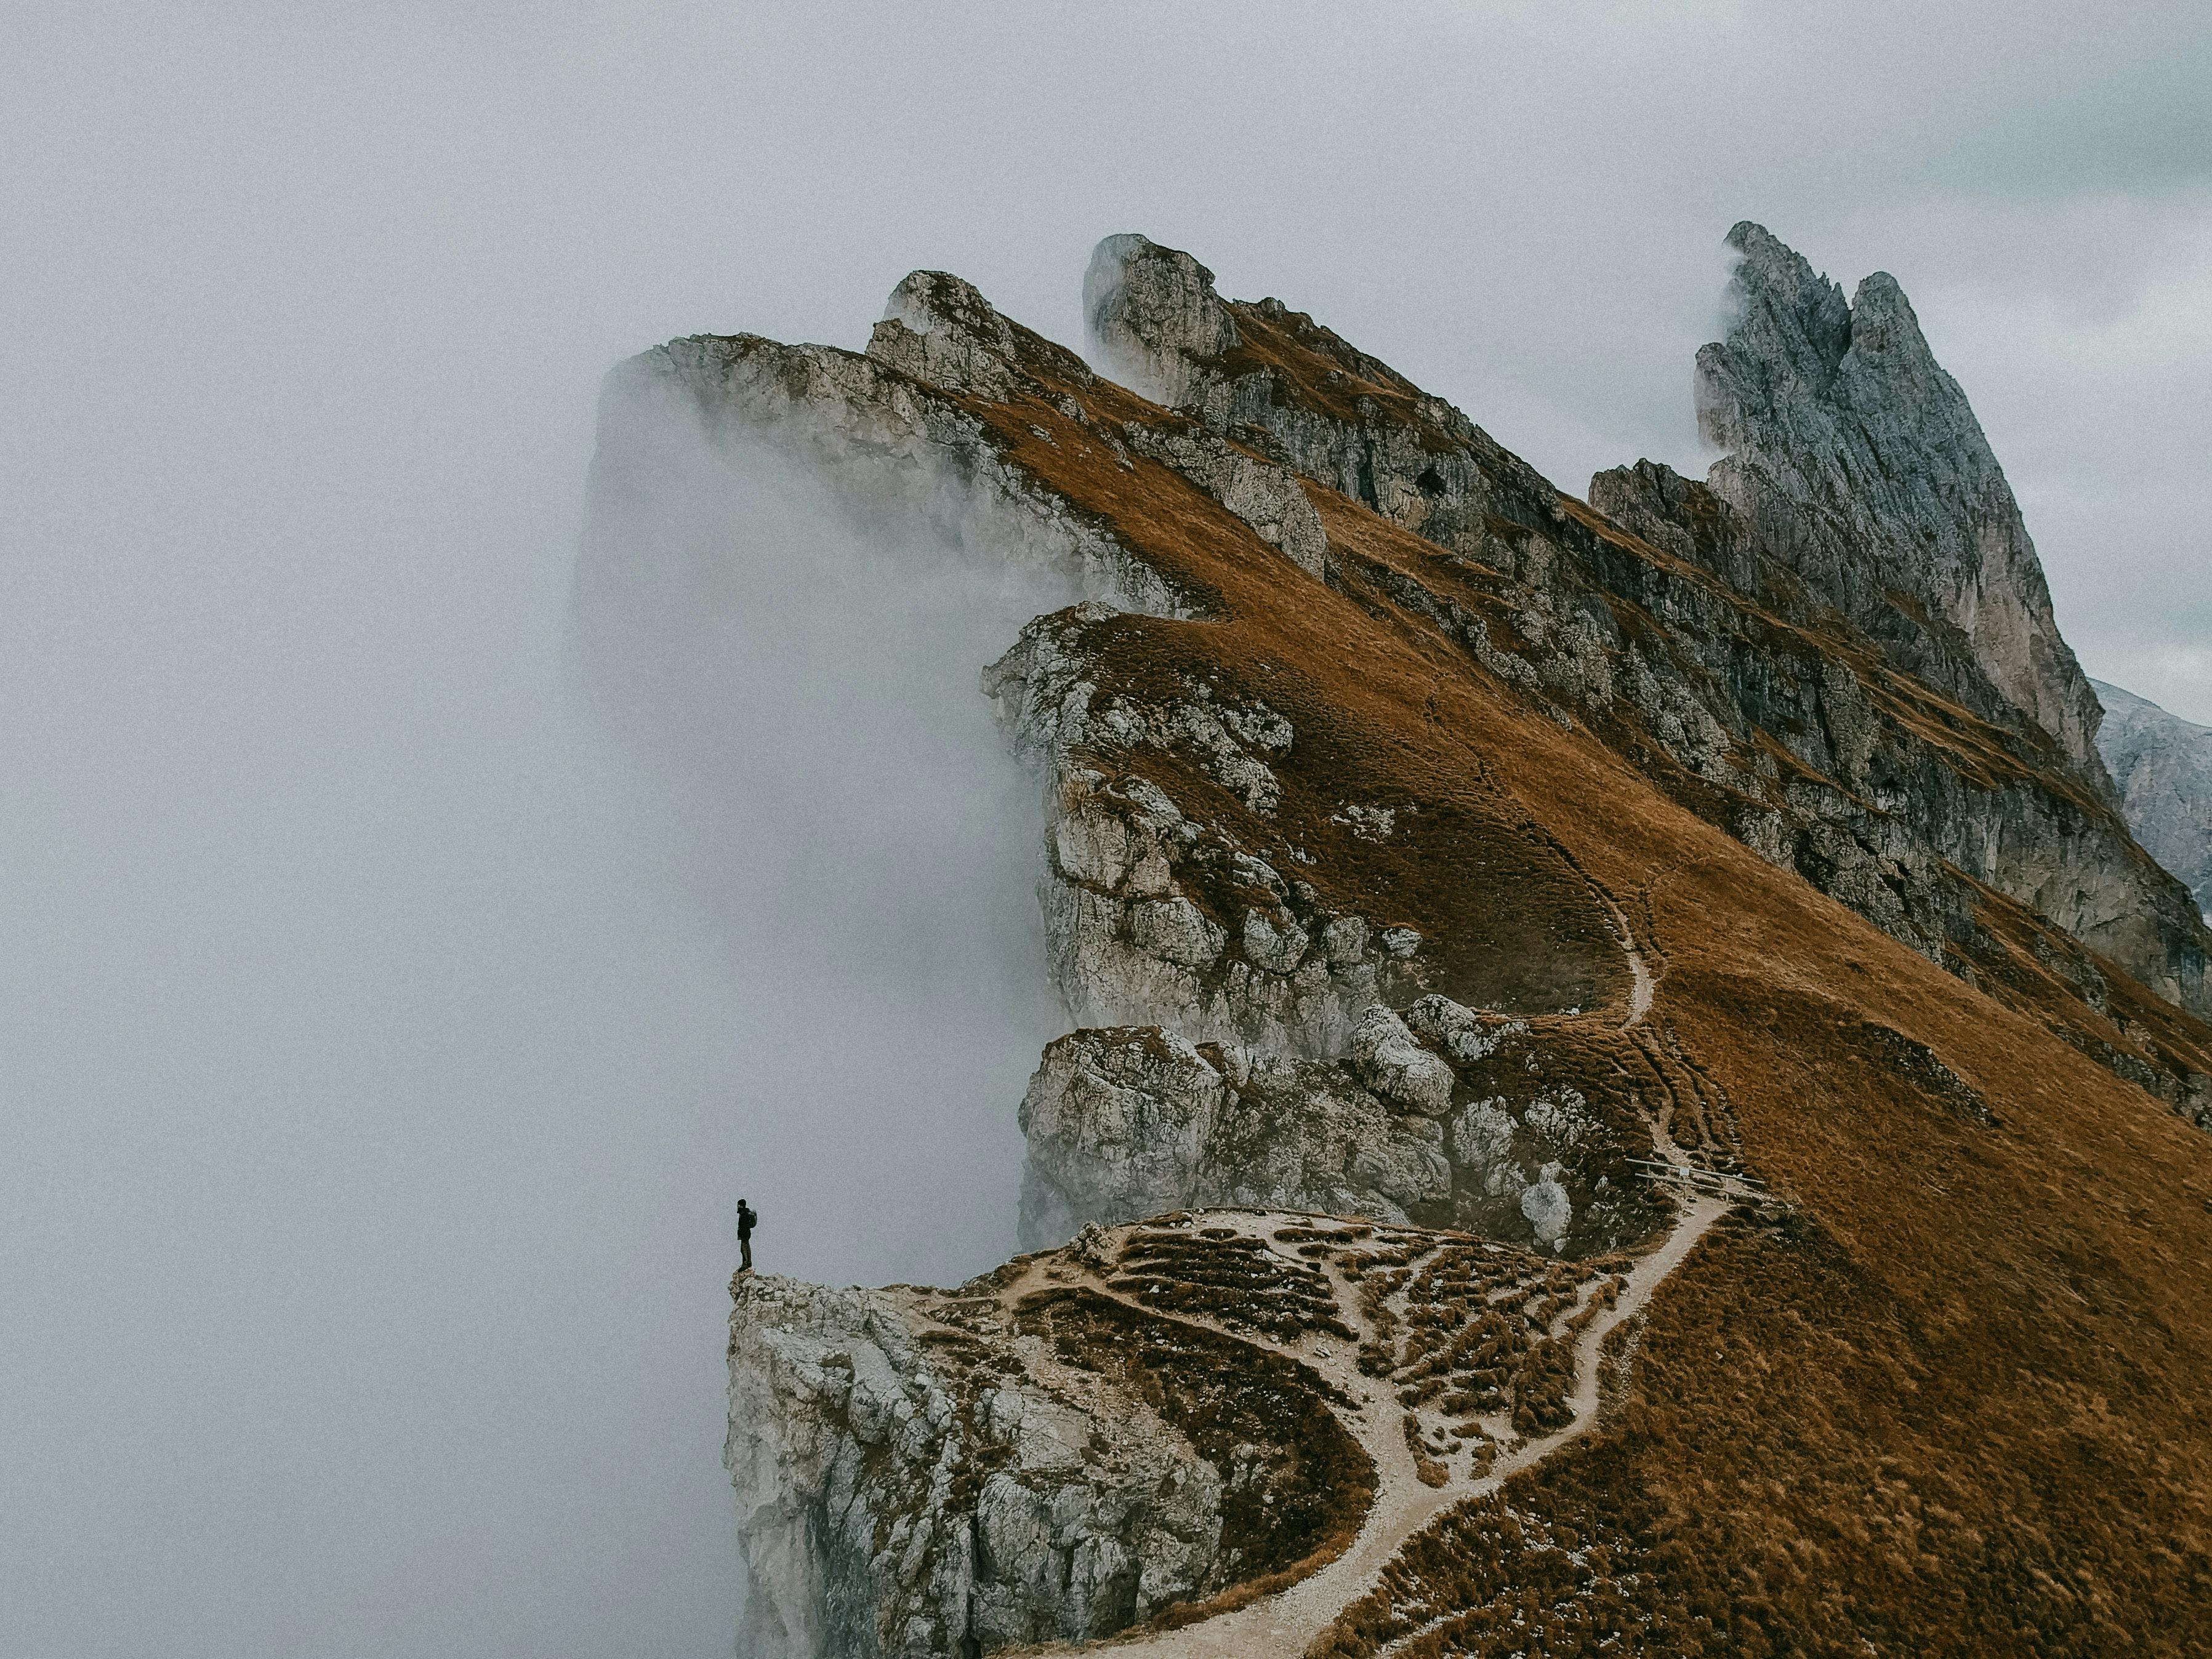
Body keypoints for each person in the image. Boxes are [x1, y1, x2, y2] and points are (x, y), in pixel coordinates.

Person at [736, 1199, 757, 1272]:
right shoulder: (746, 1212)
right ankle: (749, 1262)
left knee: (743, 1248)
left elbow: (743, 1225)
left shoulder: (743, 1213)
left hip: (744, 1233)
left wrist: (741, 1232)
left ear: (740, 1205)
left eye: (738, 1205)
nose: (737, 1206)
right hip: (747, 1233)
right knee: (747, 1247)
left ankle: (745, 1264)